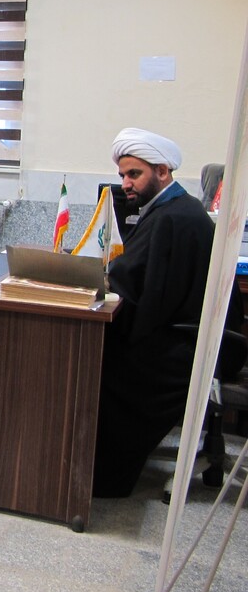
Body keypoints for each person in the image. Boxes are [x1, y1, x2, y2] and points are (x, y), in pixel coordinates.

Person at [94, 127, 245, 497]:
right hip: (191, 334)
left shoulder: (172, 218)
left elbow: (146, 294)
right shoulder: (173, 209)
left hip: (192, 345)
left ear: (162, 171)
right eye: (122, 175)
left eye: (134, 174)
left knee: (102, 364)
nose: (126, 184)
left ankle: (101, 478)